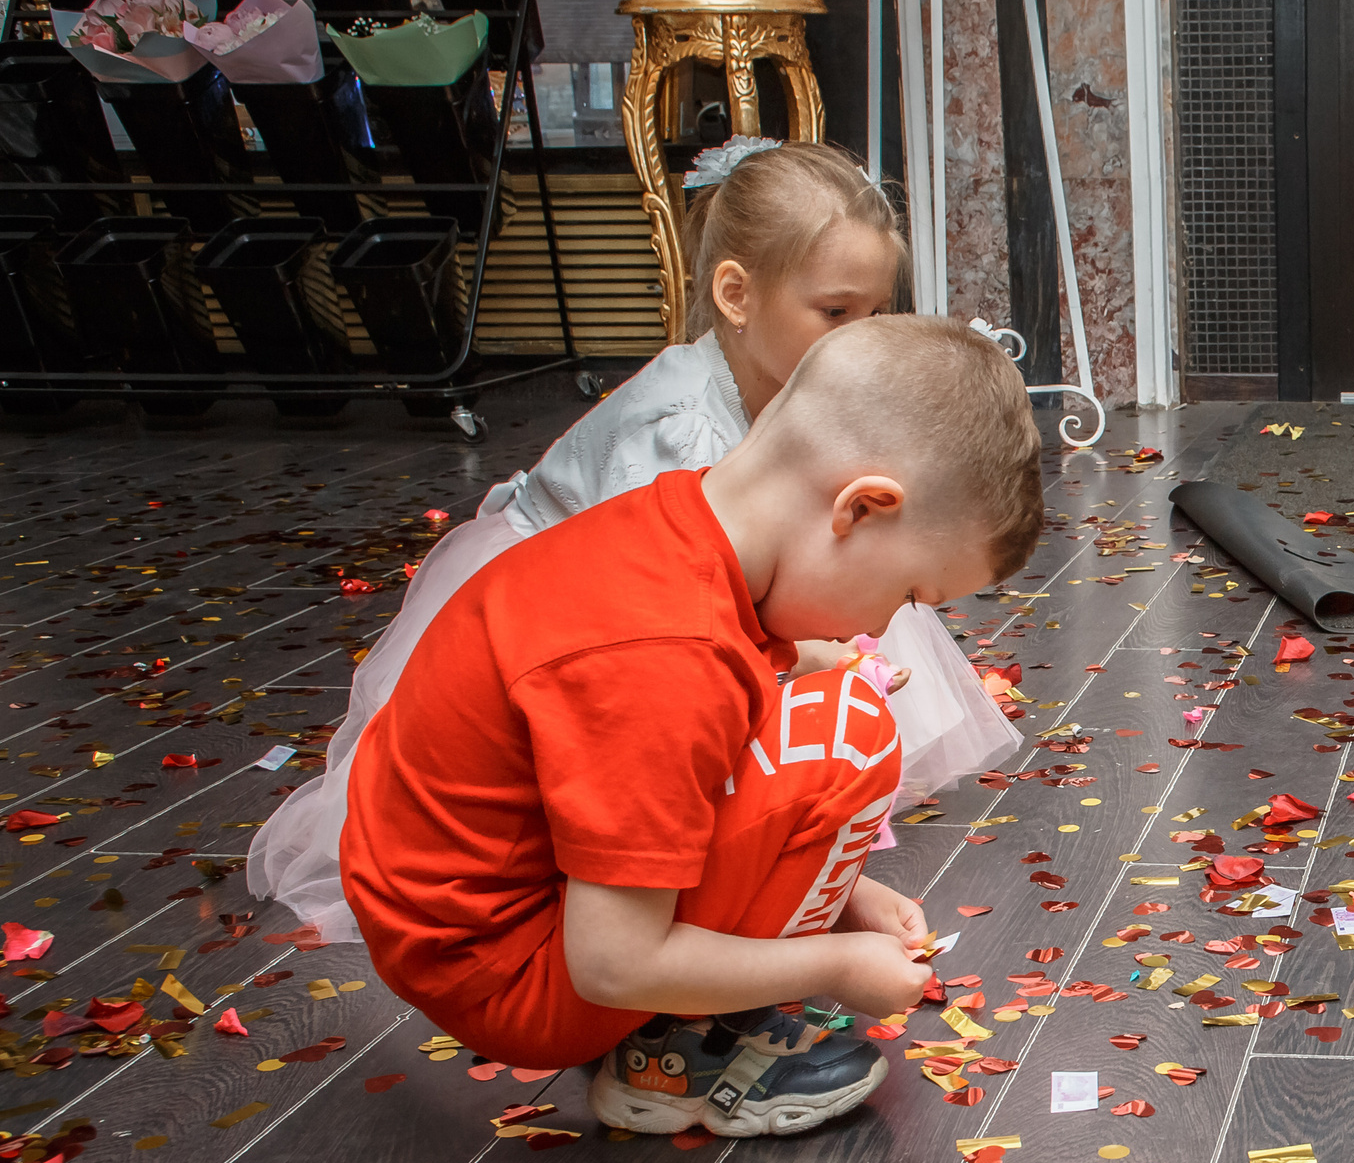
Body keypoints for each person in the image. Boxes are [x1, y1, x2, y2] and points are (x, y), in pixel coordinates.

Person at [249, 138, 1020, 943]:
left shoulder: (796, 387)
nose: (856, 337)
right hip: (575, 599)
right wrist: (794, 658)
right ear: (736, 295)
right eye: (835, 313)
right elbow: (652, 601)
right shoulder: (680, 430)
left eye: (874, 314)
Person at [340, 318, 1043, 1136]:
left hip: (488, 909)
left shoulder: (679, 529)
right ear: (858, 509)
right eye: (909, 594)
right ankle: (673, 1060)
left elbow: (674, 781)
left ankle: (691, 1010)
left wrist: (847, 893)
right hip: (512, 969)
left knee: (814, 699)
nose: (887, 623)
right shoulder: (666, 655)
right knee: (847, 734)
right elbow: (611, 962)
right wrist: (835, 965)